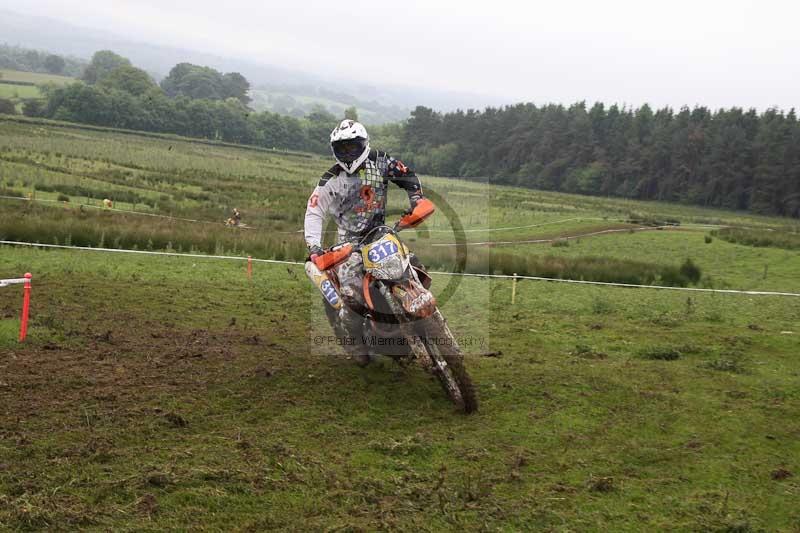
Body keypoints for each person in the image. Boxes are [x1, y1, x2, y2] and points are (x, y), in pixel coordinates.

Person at [304, 119, 424, 366]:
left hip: (380, 233)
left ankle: (420, 318)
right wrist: (314, 247)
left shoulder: (381, 161)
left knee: (412, 264)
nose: (348, 153)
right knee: (351, 297)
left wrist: (417, 200)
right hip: (349, 245)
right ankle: (355, 345)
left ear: (364, 144)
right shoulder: (330, 180)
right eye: (342, 149)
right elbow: (314, 212)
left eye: (352, 147)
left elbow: (407, 175)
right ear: (335, 150)